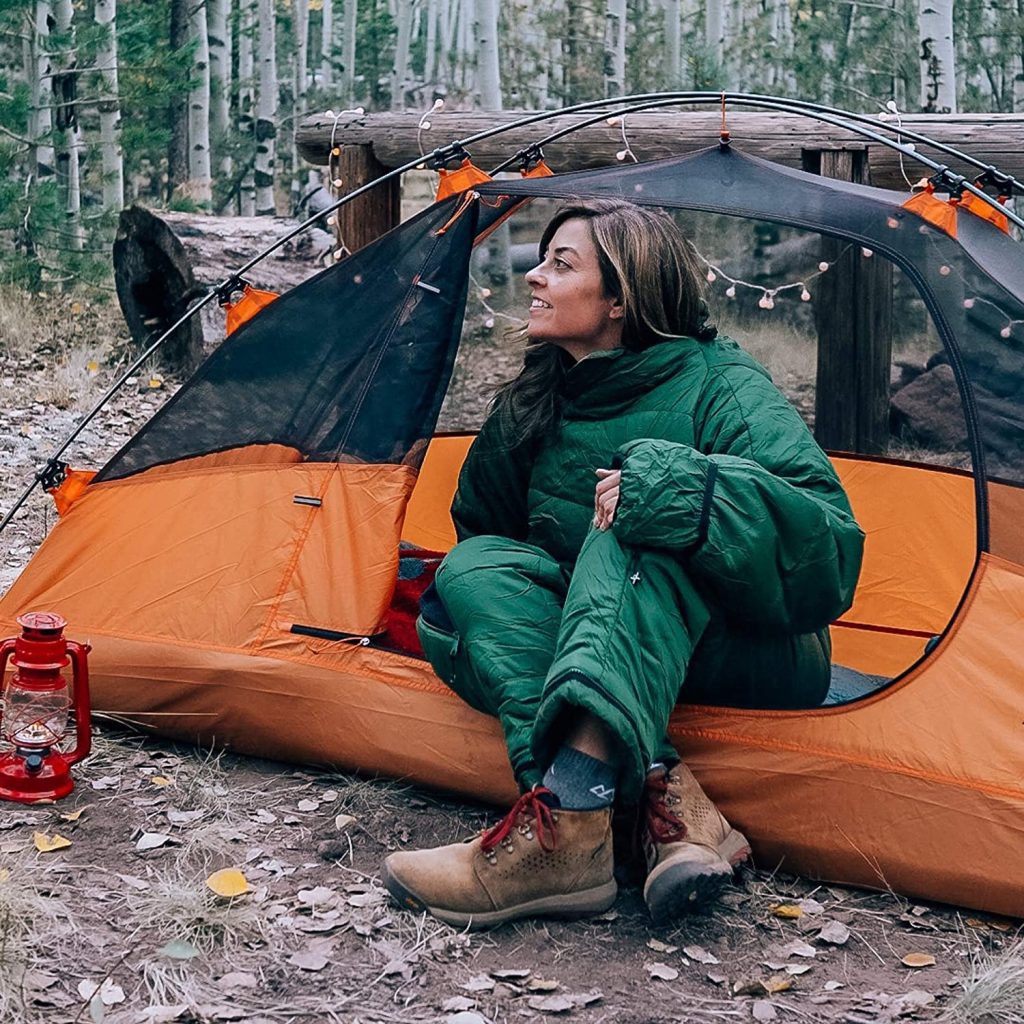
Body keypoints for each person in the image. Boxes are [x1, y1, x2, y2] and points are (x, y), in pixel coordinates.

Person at [383, 200, 864, 929]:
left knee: (636, 517)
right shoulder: (536, 398)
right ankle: (664, 800)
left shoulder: (722, 383)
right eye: (541, 261)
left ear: (620, 298)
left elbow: (828, 555)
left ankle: (569, 819)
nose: (534, 278)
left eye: (560, 265)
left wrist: (684, 494)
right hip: (616, 645)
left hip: (751, 648)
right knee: (472, 570)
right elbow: (489, 541)